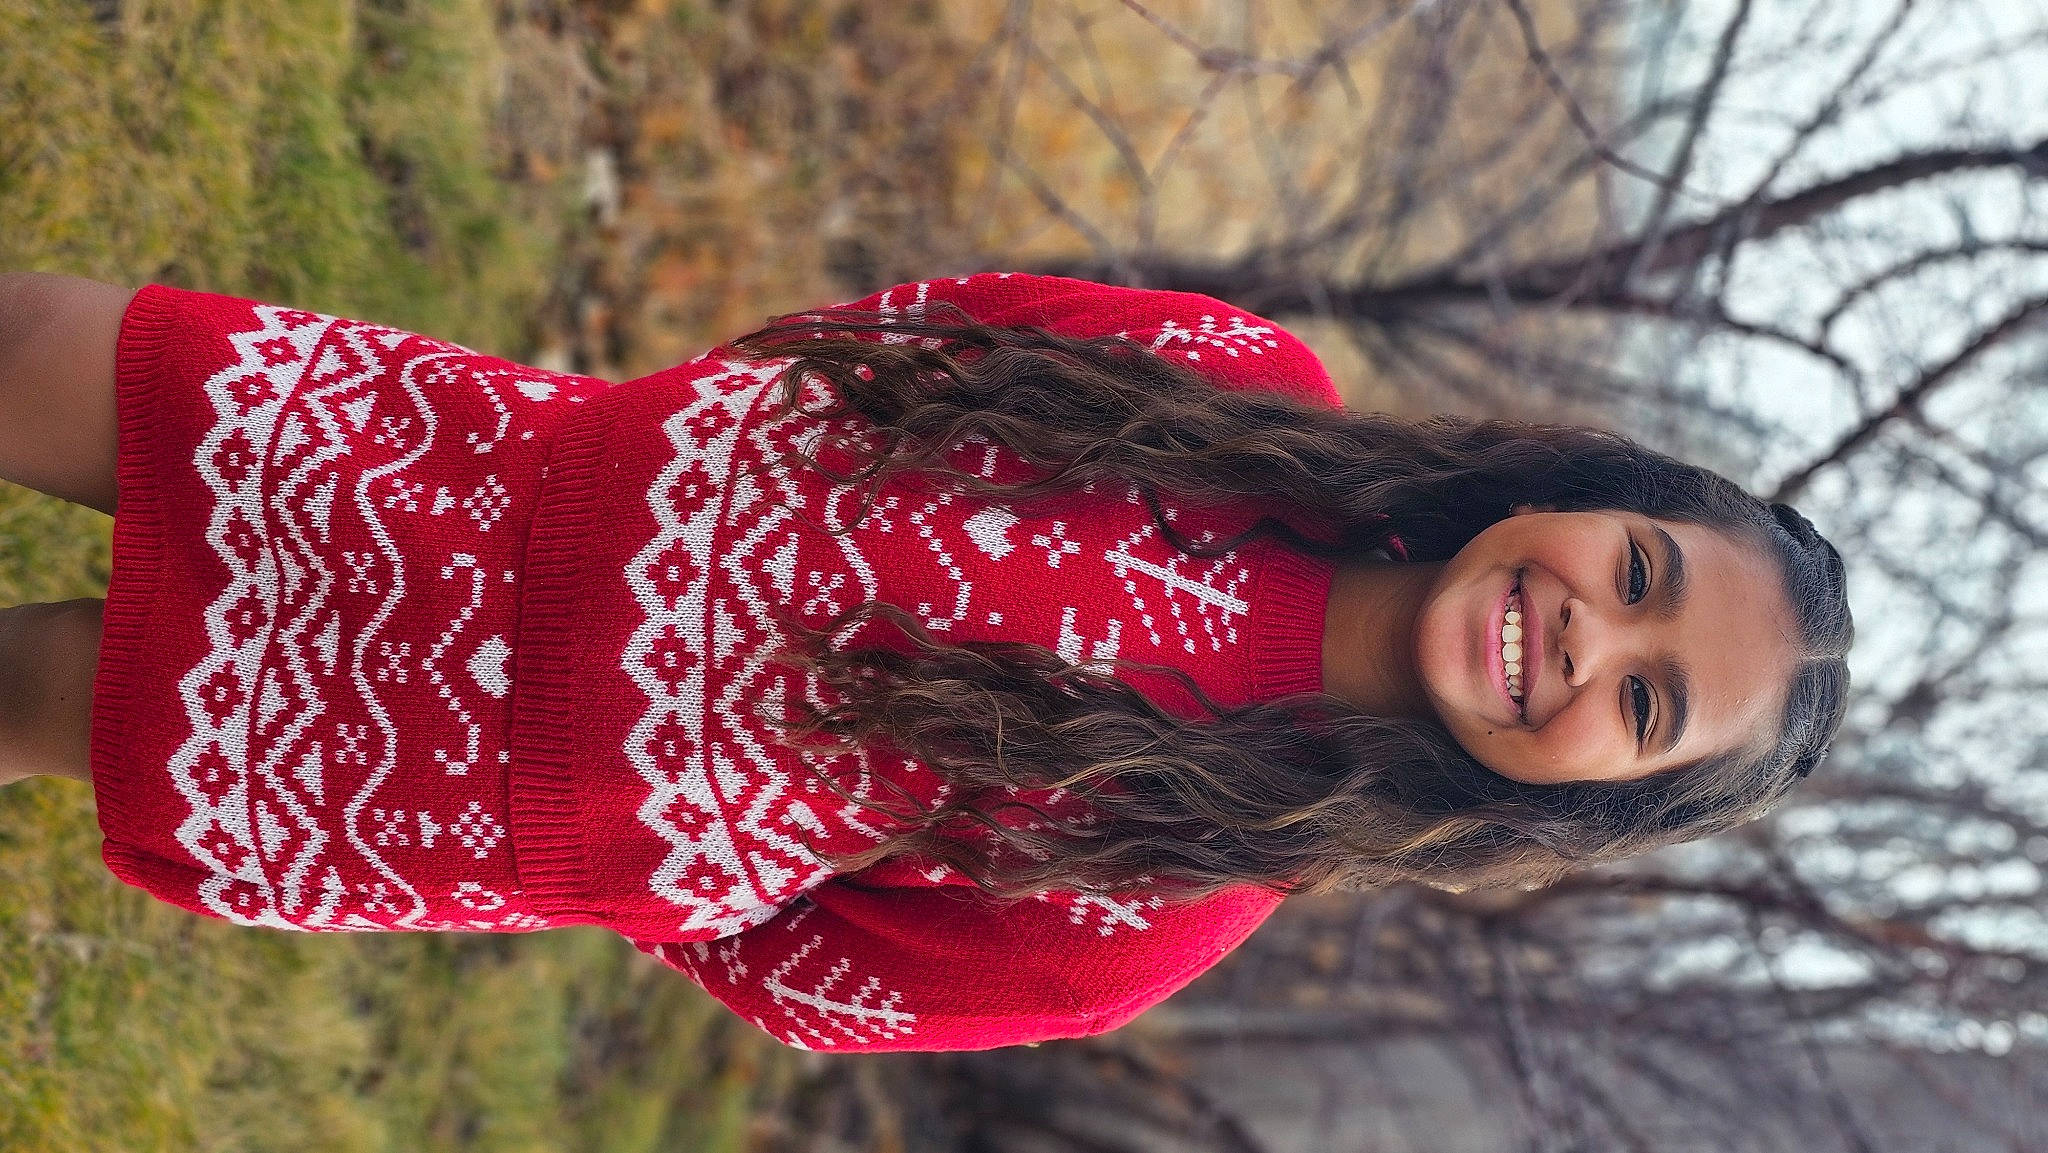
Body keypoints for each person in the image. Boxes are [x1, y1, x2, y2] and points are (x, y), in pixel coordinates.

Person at [0, 270, 1850, 1052]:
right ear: (1585, 496)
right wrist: (688, 453)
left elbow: (813, 986)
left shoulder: (1174, 893)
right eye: (1637, 571)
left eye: (1645, 700)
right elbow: (940, 330)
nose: (1587, 634)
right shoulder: (1252, 387)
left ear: (1589, 798)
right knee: (40, 348)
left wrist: (641, 823)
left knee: (28, 691)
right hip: (493, 462)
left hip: (445, 778)